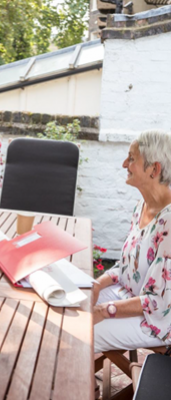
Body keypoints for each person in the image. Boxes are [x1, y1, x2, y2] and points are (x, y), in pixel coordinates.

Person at [94, 129, 171, 353]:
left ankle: (71, 386)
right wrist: (98, 284)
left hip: (157, 320)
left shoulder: (169, 222)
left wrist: (101, 310)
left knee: (82, 333)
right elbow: (128, 268)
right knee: (73, 308)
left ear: (154, 169)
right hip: (127, 296)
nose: (124, 164)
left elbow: (157, 301)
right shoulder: (142, 206)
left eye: (131, 158)